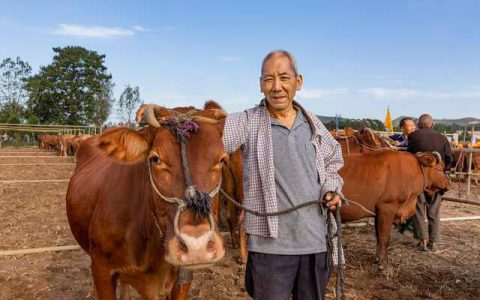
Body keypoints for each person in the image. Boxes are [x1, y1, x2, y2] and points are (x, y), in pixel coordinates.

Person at [222, 50, 344, 300]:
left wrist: (331, 189)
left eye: (284, 78)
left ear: (298, 82)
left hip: (315, 242)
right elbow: (209, 136)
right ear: (260, 84)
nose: (276, 87)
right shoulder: (247, 121)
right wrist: (167, 115)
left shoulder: (312, 124)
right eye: (269, 79)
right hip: (270, 248)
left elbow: (333, 160)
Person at [407, 114, 452, 252]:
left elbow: (409, 156)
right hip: (436, 181)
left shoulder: (413, 136)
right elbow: (449, 159)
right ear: (432, 125)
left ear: (419, 125)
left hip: (419, 178)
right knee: (434, 211)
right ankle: (434, 242)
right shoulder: (443, 138)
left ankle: (422, 242)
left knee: (419, 209)